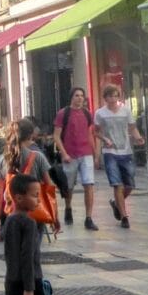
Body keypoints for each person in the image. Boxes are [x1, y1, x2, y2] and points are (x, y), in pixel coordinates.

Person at [0, 119, 57, 239]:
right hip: (34, 212)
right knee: (33, 251)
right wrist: (54, 217)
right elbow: (49, 187)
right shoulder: (38, 157)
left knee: (14, 253)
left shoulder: (1, 159)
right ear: (31, 135)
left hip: (12, 213)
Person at [94, 85, 143, 229]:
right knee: (117, 184)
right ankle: (124, 217)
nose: (113, 99)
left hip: (126, 151)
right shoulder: (100, 113)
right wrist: (105, 140)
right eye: (110, 96)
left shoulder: (126, 110)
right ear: (105, 98)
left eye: (115, 96)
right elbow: (96, 132)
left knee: (129, 185)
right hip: (110, 152)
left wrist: (138, 138)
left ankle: (116, 203)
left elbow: (132, 127)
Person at [54, 88, 97, 231]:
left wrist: (95, 152)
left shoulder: (87, 114)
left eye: (82, 96)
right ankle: (68, 207)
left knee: (89, 184)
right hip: (70, 154)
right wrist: (64, 153)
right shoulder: (63, 114)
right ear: (71, 97)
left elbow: (89, 133)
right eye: (77, 96)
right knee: (69, 186)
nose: (80, 98)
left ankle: (89, 218)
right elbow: (56, 136)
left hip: (86, 153)